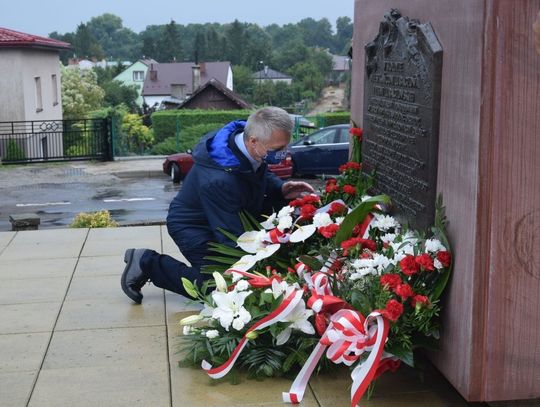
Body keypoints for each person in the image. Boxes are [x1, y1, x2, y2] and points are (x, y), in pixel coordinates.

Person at [121, 106, 314, 303]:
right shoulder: (219, 179)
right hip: (193, 226)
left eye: (285, 147)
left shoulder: (249, 143)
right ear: (253, 141)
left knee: (237, 284)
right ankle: (146, 262)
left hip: (224, 214)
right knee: (222, 290)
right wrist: (265, 268)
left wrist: (280, 188)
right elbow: (232, 238)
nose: (283, 154)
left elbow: (257, 172)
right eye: (277, 150)